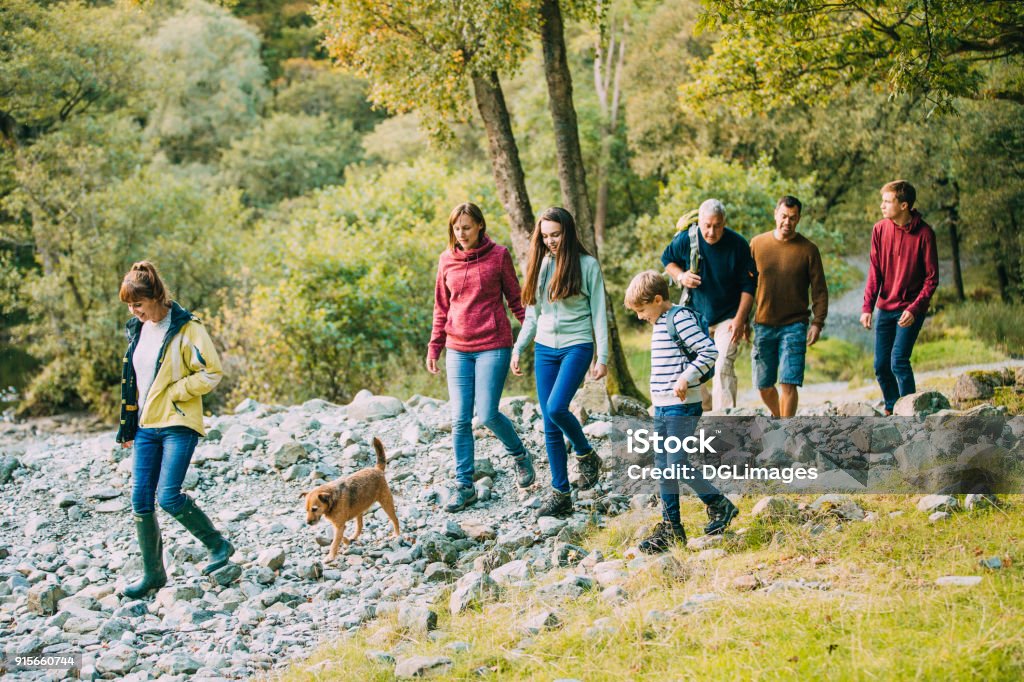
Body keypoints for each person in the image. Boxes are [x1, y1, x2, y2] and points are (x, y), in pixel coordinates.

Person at [115, 261, 233, 598]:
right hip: (146, 427)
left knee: (168, 496)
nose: (133, 311)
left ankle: (219, 545)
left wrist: (177, 392)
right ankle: (153, 575)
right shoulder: (137, 330)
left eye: (137, 304)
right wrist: (127, 428)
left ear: (155, 297)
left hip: (178, 423)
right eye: (128, 306)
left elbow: (212, 372)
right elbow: (135, 383)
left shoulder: (187, 327)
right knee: (140, 499)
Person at [427, 203, 535, 513]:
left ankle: (519, 455)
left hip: (493, 344)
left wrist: (532, 332)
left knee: (486, 414)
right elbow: (441, 307)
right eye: (456, 228)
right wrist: (435, 346)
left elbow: (516, 300)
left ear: (480, 227)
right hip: (457, 348)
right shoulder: (446, 260)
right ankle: (464, 486)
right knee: (460, 419)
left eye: (466, 227)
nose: (460, 233)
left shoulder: (498, 255)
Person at [624, 271, 738, 552]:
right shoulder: (659, 321)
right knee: (664, 466)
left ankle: (719, 504)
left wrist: (686, 377)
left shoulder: (679, 318)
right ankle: (672, 528)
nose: (640, 316)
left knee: (674, 463)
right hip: (664, 406)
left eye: (641, 310)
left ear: (658, 299)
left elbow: (709, 352)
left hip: (683, 406)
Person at [512, 207, 607, 519]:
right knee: (549, 423)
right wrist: (518, 347)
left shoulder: (587, 265)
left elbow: (599, 313)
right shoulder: (539, 265)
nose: (551, 241)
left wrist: (602, 357)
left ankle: (585, 452)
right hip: (544, 348)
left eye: (556, 234)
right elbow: (532, 315)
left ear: (568, 232)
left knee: (555, 407)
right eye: (545, 235)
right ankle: (561, 493)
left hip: (576, 345)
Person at [662, 199, 755, 412]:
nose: (711, 231)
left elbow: (749, 286)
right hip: (695, 317)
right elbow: (667, 260)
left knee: (722, 365)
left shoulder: (738, 244)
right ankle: (704, 411)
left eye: (717, 225)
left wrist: (740, 319)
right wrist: (681, 276)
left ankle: (725, 419)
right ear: (700, 222)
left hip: (729, 316)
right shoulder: (688, 239)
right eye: (707, 225)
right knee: (696, 368)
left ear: (724, 223)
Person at [861, 180, 939, 414]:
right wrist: (867, 307)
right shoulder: (880, 229)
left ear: (904, 205)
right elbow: (875, 271)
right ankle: (892, 406)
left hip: (911, 309)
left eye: (887, 201)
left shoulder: (925, 234)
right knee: (881, 366)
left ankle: (910, 412)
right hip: (885, 307)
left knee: (899, 361)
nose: (882, 205)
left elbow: (932, 279)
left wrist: (915, 309)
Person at [749, 196, 829, 417]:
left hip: (795, 325)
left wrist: (817, 323)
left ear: (799, 219)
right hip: (763, 324)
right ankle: (779, 419)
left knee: (788, 382)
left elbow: (820, 290)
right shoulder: (757, 244)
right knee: (763, 385)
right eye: (784, 216)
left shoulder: (808, 250)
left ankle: (786, 430)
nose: (787, 222)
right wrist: (743, 321)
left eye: (792, 218)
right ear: (775, 214)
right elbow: (745, 286)